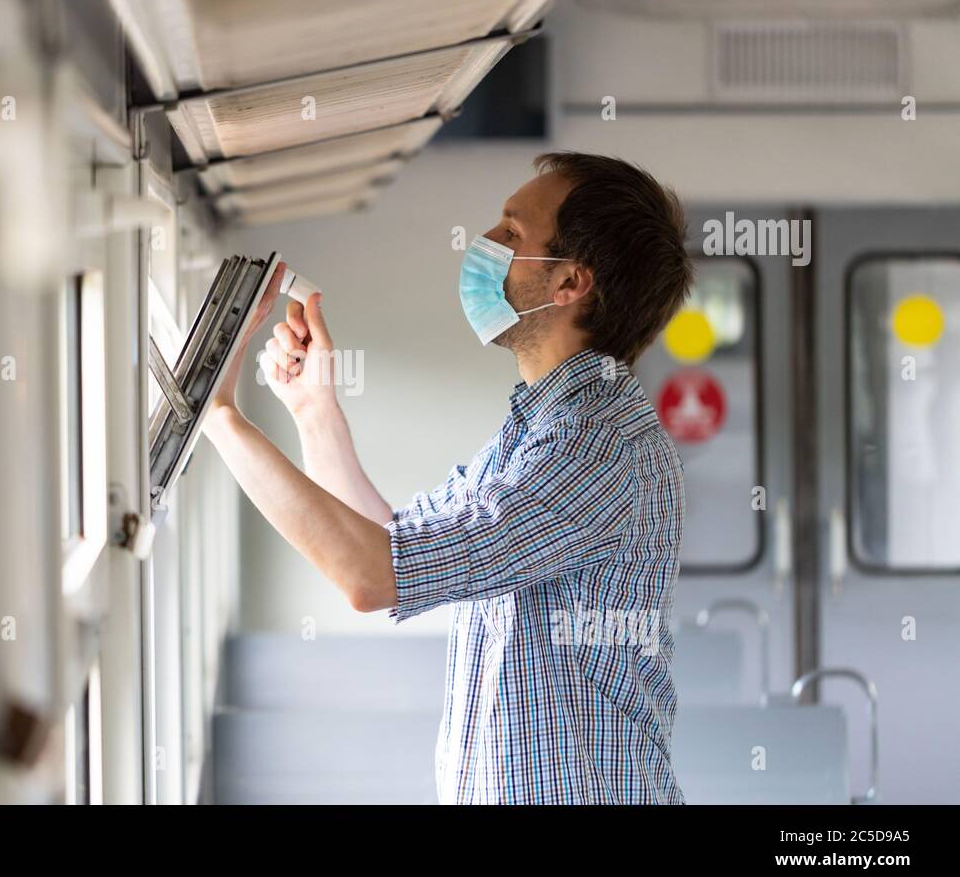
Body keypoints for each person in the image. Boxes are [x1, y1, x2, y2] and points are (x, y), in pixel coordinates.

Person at [202, 152, 693, 804]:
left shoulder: (596, 448)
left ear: (570, 282)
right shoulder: (536, 430)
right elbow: (392, 540)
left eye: (512, 234)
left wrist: (218, 416)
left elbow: (373, 575)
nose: (485, 244)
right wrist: (314, 411)